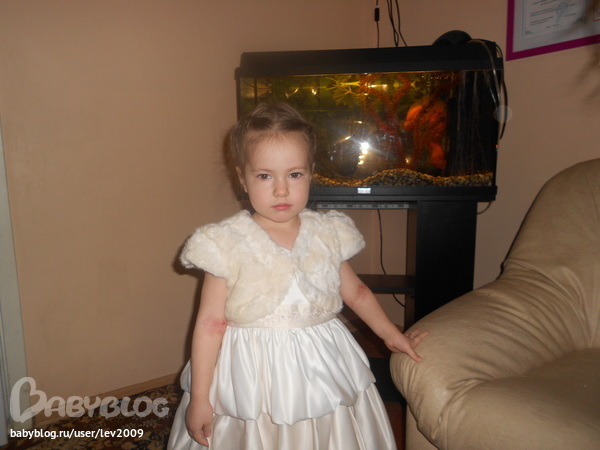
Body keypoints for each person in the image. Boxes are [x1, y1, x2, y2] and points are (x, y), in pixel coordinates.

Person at [167, 103, 428, 450]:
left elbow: (357, 292)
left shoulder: (327, 232)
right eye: (264, 176)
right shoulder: (225, 243)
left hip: (323, 362)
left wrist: (390, 334)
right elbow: (210, 323)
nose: (281, 190)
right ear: (242, 178)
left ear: (311, 173)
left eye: (294, 174)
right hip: (252, 371)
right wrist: (200, 398)